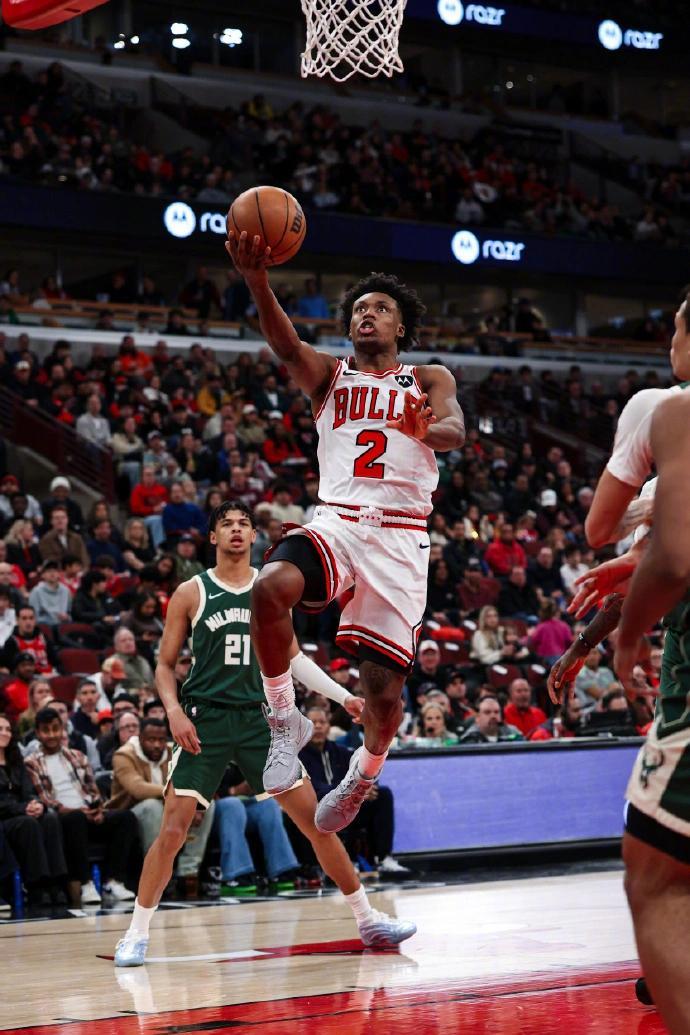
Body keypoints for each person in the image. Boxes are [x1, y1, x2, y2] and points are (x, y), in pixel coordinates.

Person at [227, 238, 465, 833]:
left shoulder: (428, 377)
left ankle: (364, 771)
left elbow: (456, 430)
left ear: (400, 325)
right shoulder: (329, 376)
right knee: (269, 586)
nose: (368, 314)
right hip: (337, 521)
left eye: (381, 307)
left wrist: (425, 429)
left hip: (400, 538)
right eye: (359, 308)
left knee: (382, 692)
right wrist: (257, 279)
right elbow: (286, 345)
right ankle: (284, 718)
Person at [114, 500, 415, 967]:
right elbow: (165, 666)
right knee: (173, 830)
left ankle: (367, 918)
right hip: (206, 720)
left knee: (316, 822)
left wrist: (343, 697)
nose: (236, 531)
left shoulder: (269, 588)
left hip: (263, 723)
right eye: (226, 525)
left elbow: (292, 658)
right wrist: (173, 712)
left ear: (254, 536)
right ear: (212, 537)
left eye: (244, 524)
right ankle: (136, 932)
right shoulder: (191, 592)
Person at [25, 706, 138, 905]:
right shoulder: (31, 762)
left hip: (88, 813)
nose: (51, 735)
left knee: (125, 818)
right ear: (37, 733)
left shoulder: (77, 756)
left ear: (63, 729)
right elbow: (46, 799)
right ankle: (86, 883)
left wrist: (97, 809)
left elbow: (93, 790)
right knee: (75, 818)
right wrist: (77, 811)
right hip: (62, 819)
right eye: (46, 730)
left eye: (55, 729)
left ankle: (113, 881)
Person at [108, 718, 214, 892]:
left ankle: (189, 870)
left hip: (167, 805)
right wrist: (176, 793)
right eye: (151, 740)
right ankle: (156, 871)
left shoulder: (173, 751)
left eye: (161, 740)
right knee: (152, 807)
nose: (157, 745)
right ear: (140, 738)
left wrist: (192, 801)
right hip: (130, 812)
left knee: (206, 804)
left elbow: (195, 779)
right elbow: (138, 789)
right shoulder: (124, 755)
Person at [301, 707, 407, 873]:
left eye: (322, 722)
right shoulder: (299, 756)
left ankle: (384, 858)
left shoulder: (340, 752)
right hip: (319, 811)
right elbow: (315, 788)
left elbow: (363, 772)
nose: (319, 726)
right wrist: (351, 791)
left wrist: (366, 788)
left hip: (347, 806)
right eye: (313, 722)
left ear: (329, 726)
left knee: (382, 794)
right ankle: (346, 861)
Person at [0, 714, 67, 905]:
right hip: (5, 818)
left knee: (50, 819)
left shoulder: (16, 760)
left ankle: (57, 882)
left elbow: (29, 791)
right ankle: (37, 885)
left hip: (23, 812)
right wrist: (23, 808)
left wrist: (36, 804)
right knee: (28, 824)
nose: (5, 733)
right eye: (0, 729)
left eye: (8, 729)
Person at [38, 505, 89, 569]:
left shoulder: (77, 538)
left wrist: (82, 572)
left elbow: (84, 559)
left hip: (79, 572)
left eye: (63, 517)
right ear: (52, 521)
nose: (60, 521)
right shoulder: (45, 540)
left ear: (67, 520)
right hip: (57, 573)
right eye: (57, 518)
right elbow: (49, 561)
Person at [459, 697, 524, 744]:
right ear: (477, 718)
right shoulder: (468, 740)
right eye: (487, 712)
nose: (493, 716)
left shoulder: (513, 733)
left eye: (496, 712)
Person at [28, 560, 71, 627]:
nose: (52, 573)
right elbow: (33, 616)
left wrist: (67, 617)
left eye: (55, 571)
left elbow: (70, 612)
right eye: (48, 571)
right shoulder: (36, 591)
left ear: (59, 574)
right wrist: (52, 620)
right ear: (43, 575)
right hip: (45, 626)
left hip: (64, 625)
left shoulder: (65, 590)